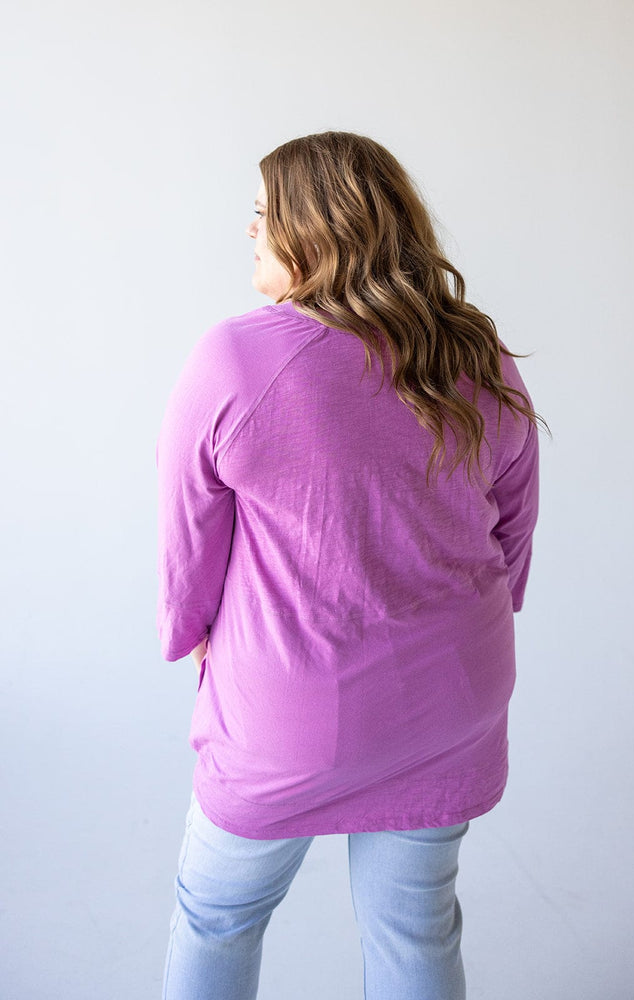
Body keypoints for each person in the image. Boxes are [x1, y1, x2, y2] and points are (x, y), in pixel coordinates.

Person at [156, 131, 542, 1000]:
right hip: (450, 698)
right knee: (414, 928)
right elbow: (510, 534)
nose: (248, 231)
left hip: (291, 709)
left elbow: (187, 540)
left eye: (264, 214)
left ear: (316, 228)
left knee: (217, 915)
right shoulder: (477, 357)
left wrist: (190, 637)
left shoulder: (236, 358)